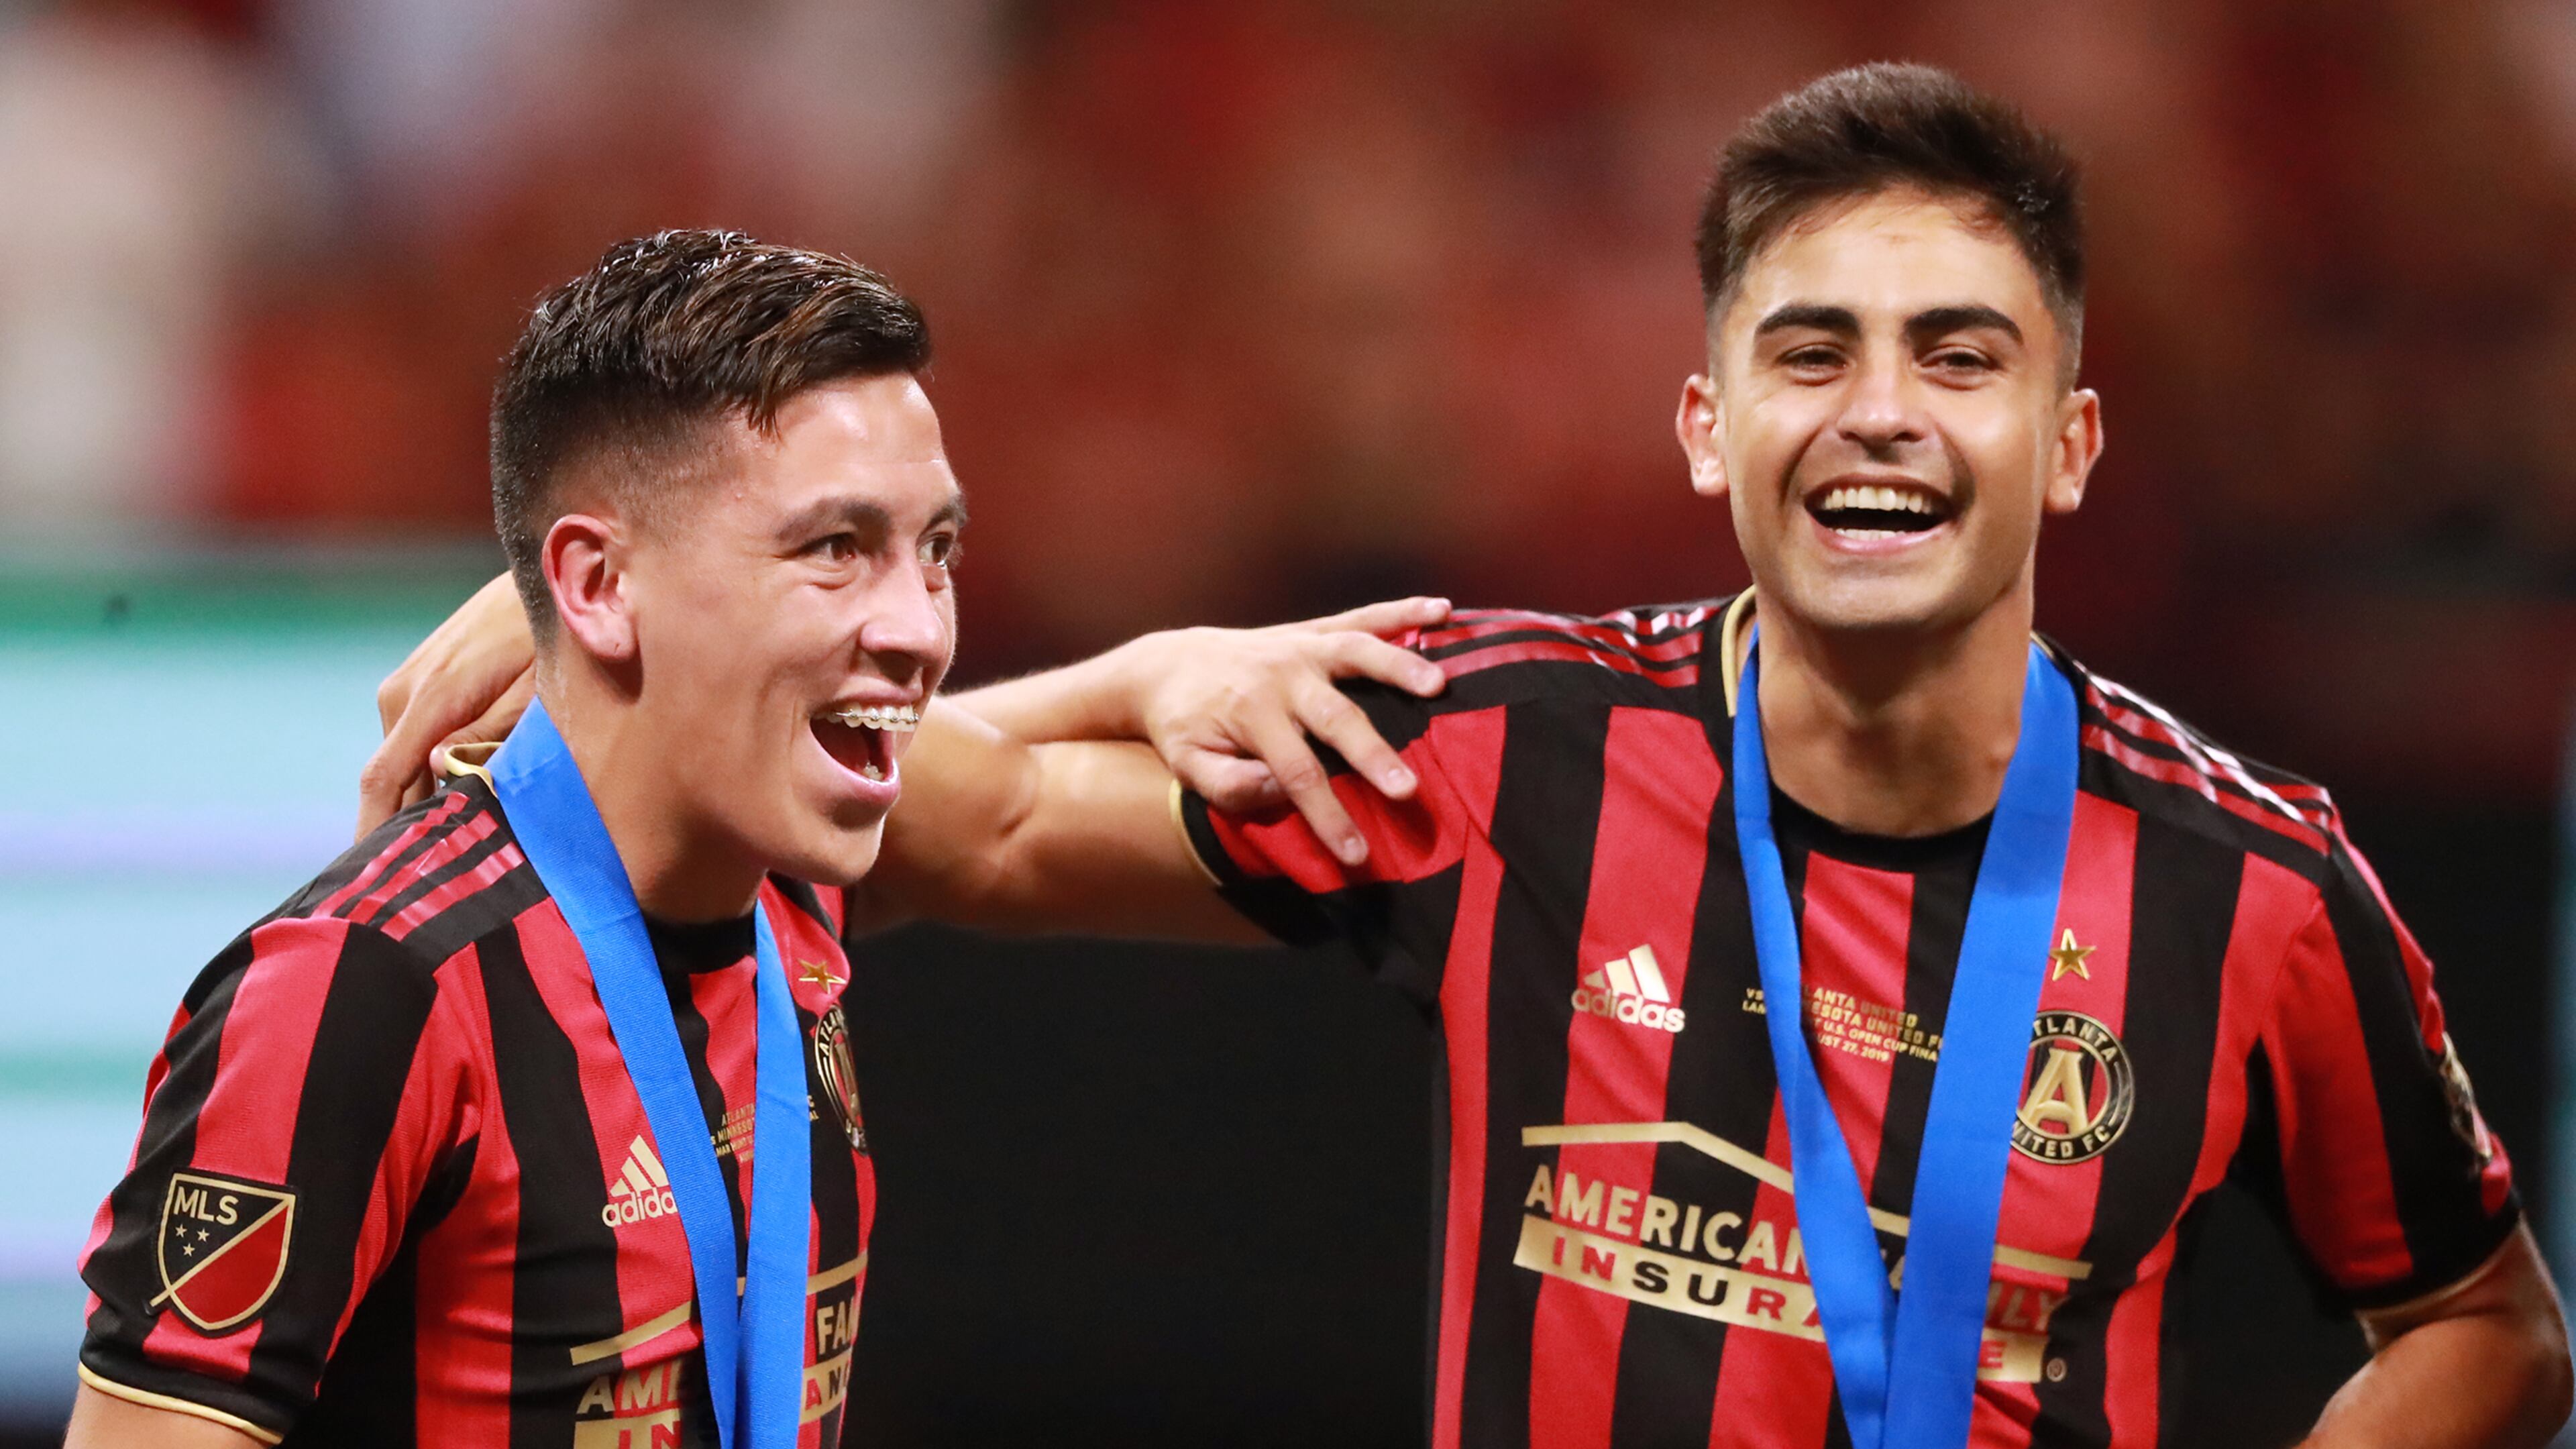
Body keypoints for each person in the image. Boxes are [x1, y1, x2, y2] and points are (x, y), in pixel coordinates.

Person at [365, 68, 2574, 1448]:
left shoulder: (2260, 886)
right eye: (1811, 351)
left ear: (2069, 443)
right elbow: (977, 827)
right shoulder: (1514, 752)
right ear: (1712, 429)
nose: (1881, 408)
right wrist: (660, 651)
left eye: (1961, 357)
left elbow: (2485, 1326)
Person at [68, 231, 973, 1447]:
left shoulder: (787, 883)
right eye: (835, 549)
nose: (917, 626)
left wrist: (1166, 674)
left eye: (939, 551)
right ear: (597, 585)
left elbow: (1024, 784)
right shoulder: (364, 990)